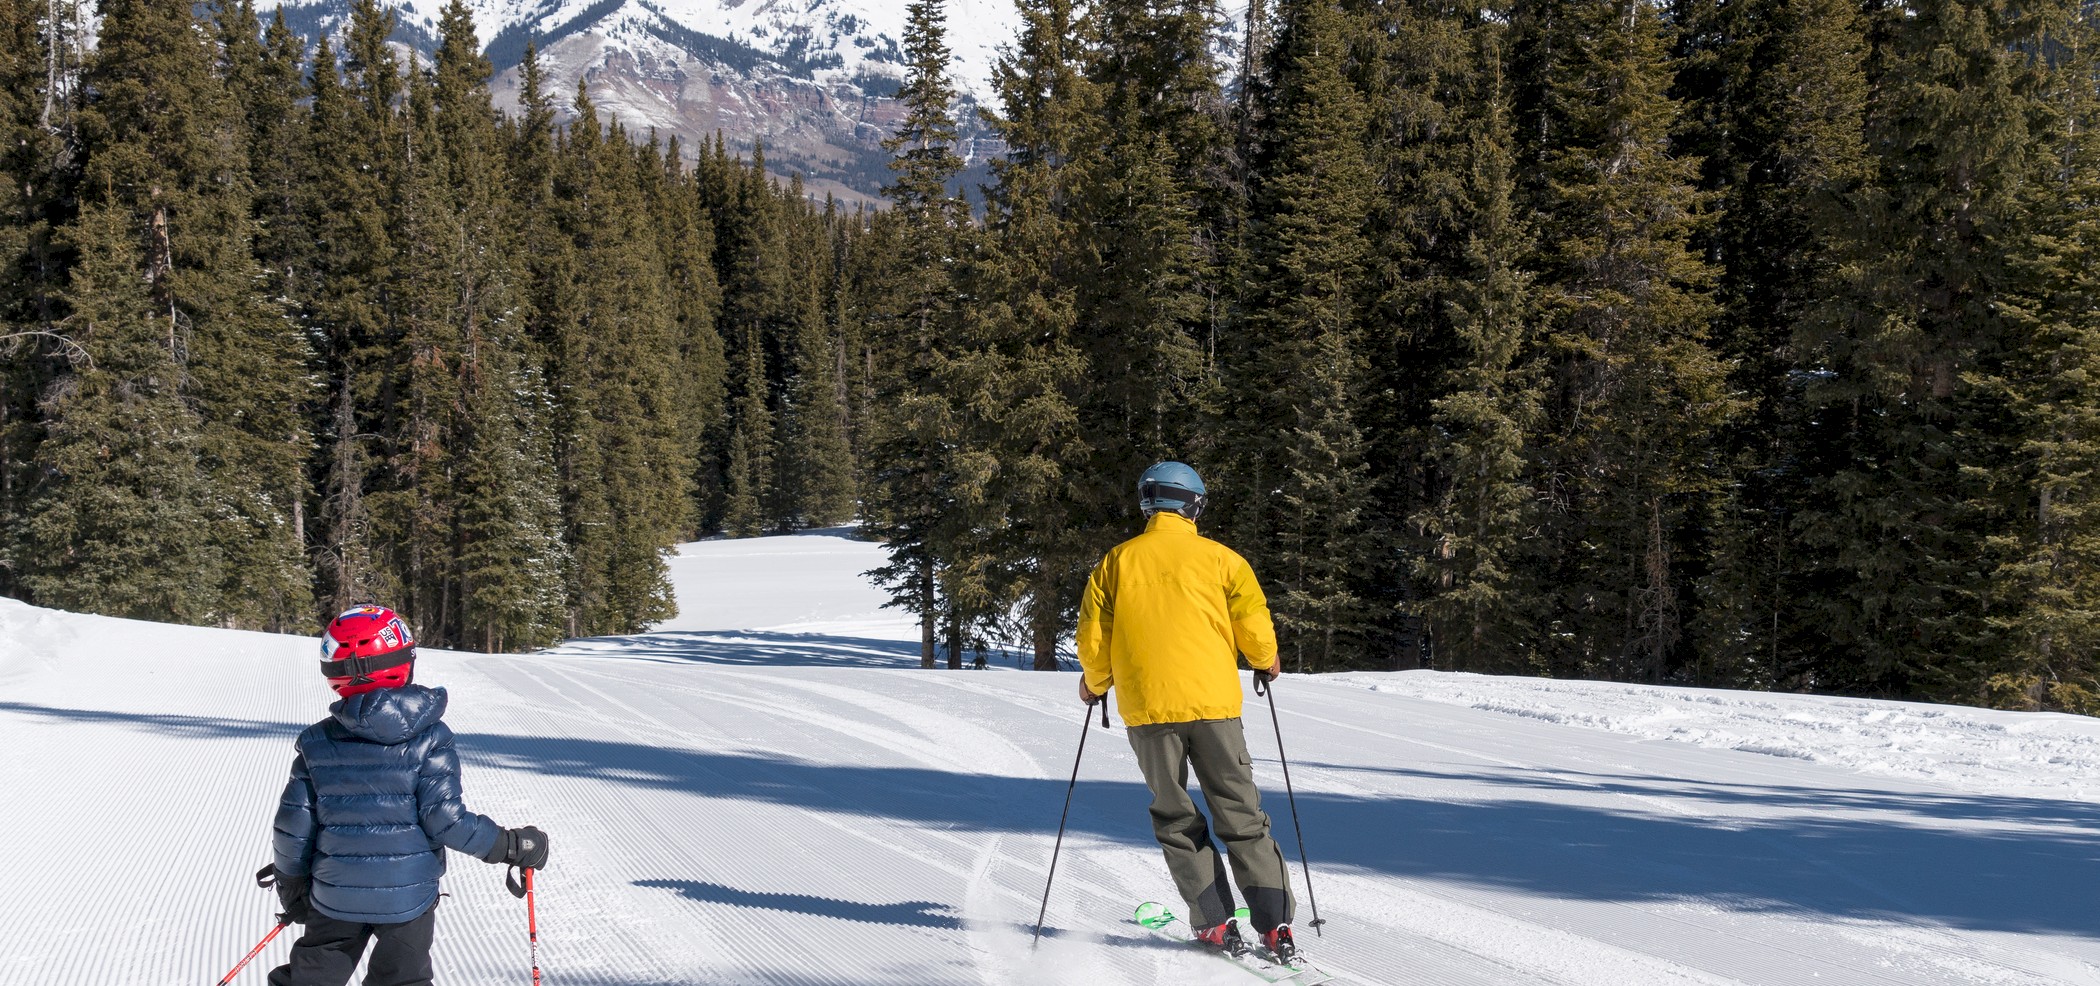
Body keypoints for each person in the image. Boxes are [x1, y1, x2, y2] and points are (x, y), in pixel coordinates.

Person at [1076, 461, 1299, 961]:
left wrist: (1095, 685)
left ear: (1148, 503)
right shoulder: (1222, 560)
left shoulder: (1116, 562)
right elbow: (1254, 624)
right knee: (1241, 814)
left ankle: (1216, 924)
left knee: (1177, 818)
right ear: (1193, 504)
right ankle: (1274, 926)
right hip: (1214, 706)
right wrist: (1266, 661)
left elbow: (1094, 639)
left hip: (1149, 712)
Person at [263, 605, 550, 986]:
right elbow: (446, 820)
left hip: (335, 895)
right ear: (404, 661)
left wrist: (291, 882)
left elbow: (292, 825)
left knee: (314, 975)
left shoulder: (318, 741)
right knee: (401, 979)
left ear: (335, 676)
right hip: (407, 900)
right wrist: (509, 845)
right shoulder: (431, 737)